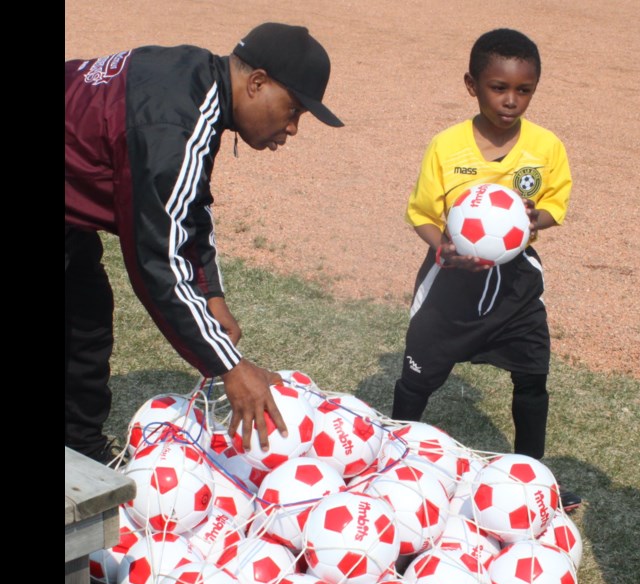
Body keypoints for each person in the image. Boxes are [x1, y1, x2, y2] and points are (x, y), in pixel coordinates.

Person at [65, 23, 344, 463]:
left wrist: (211, 293)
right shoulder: (171, 124)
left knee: (85, 317)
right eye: (293, 110)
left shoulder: (200, 80)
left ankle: (81, 457)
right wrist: (228, 366)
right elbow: (155, 260)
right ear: (257, 83)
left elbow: (189, 203)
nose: (292, 128)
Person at [389, 28, 580, 510]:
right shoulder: (447, 146)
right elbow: (421, 213)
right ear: (472, 85)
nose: (511, 100)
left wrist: (525, 219)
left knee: (533, 377)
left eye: (524, 90)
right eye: (499, 88)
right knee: (418, 378)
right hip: (451, 282)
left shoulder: (546, 147)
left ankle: (532, 481)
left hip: (516, 283)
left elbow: (553, 207)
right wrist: (443, 248)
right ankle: (390, 463)